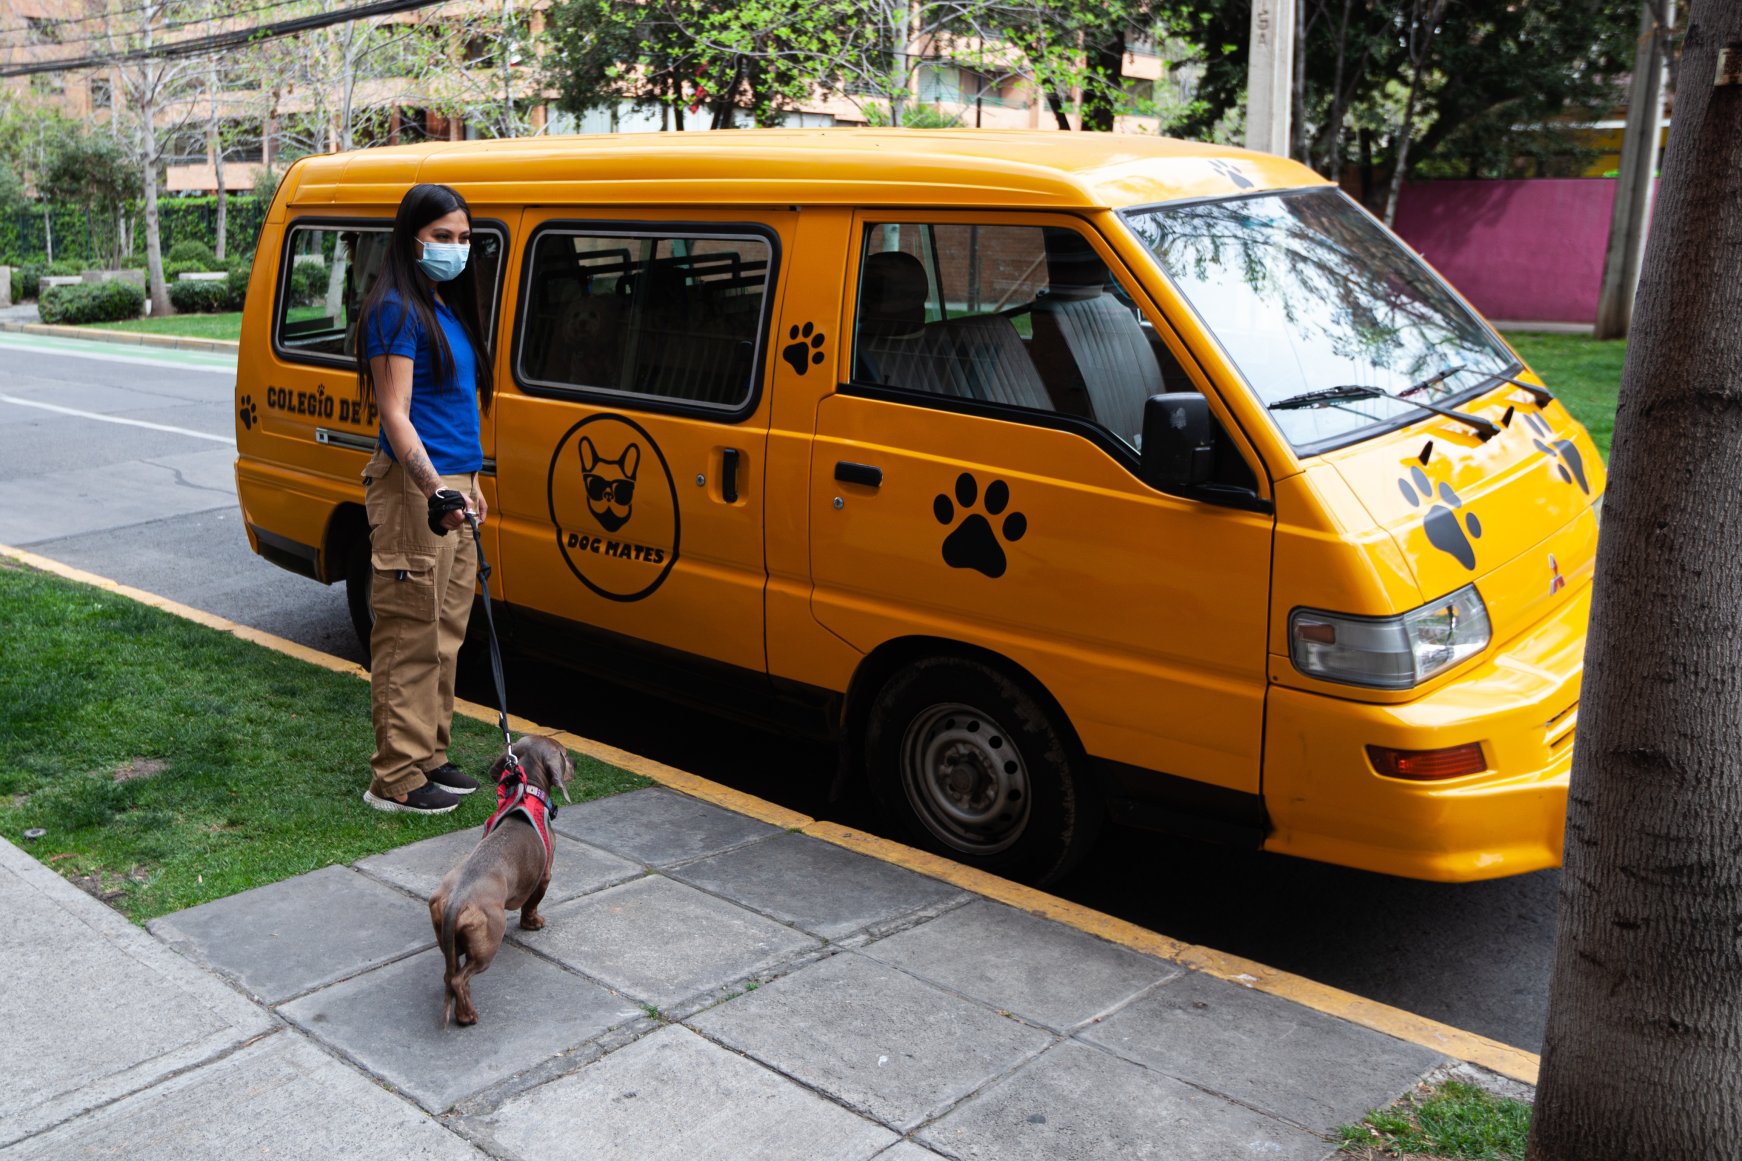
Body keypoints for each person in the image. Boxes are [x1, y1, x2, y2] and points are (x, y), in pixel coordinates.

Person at [355, 183, 494, 813]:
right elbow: (396, 413)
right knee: (410, 630)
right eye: (442, 237)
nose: (455, 248)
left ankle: (431, 754)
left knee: (444, 631)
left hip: (452, 485)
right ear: (411, 238)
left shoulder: (443, 306)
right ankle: (397, 777)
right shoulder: (395, 309)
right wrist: (438, 487)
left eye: (463, 238)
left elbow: (454, 408)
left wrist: (471, 481)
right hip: (418, 490)